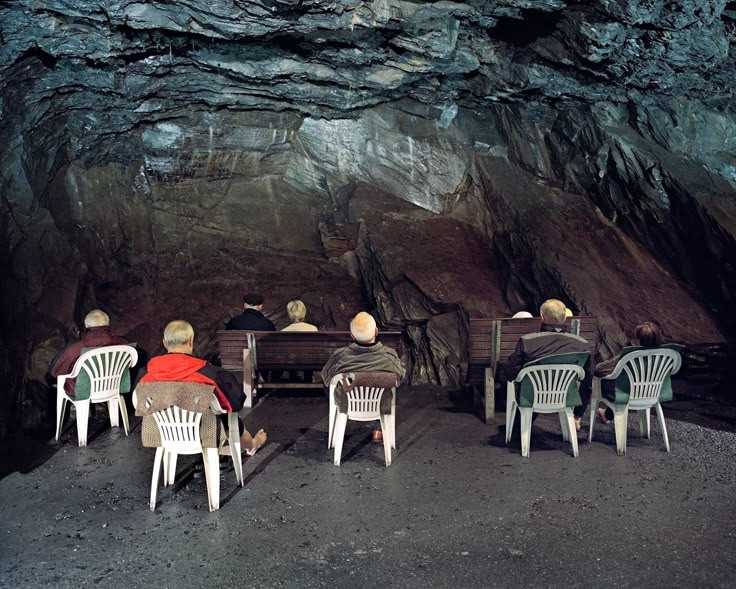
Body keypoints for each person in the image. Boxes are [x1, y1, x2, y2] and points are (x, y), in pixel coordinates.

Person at [138, 320, 267, 455]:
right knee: (233, 419)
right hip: (205, 432)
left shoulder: (146, 373)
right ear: (191, 341)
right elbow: (235, 403)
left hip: (162, 432)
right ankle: (252, 444)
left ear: (164, 343)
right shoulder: (210, 373)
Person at [504, 299, 593, 430]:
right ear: (564, 318)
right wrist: (578, 414)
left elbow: (510, 373)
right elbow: (588, 379)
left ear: (542, 317)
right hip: (565, 397)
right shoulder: (582, 345)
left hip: (531, 397)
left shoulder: (528, 342)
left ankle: (519, 427)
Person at [321, 312, 405, 442]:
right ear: (376, 332)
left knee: (330, 384)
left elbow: (325, 376)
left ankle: (340, 421)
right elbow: (399, 378)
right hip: (380, 405)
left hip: (347, 403)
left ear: (352, 336)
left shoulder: (340, 356)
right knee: (388, 387)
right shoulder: (389, 356)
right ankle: (378, 429)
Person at [594, 321, 663, 424]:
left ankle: (607, 414)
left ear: (639, 339)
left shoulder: (630, 354)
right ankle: (607, 414)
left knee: (610, 380)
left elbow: (600, 369)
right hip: (653, 393)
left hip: (626, 394)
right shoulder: (665, 354)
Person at [50, 309, 130, 396]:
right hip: (115, 387)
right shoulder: (123, 343)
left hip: (84, 390)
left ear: (86, 325)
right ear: (107, 324)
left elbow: (56, 372)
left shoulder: (76, 348)